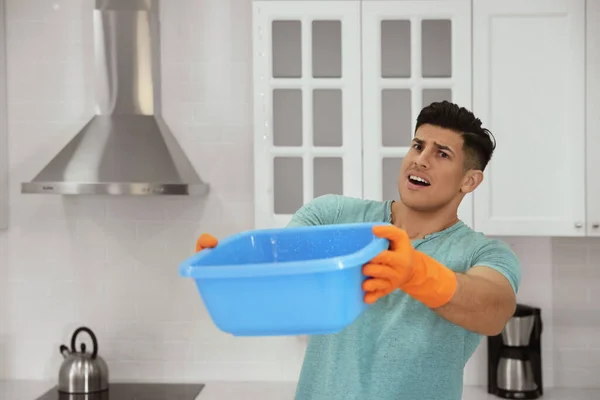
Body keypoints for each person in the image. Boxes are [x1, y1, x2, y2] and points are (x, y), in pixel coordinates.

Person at [195, 101, 521, 400]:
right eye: (418, 146)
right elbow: (279, 282)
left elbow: (495, 309)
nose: (420, 160)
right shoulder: (332, 216)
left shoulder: (483, 253)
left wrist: (417, 273)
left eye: (442, 154)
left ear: (469, 181)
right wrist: (230, 265)